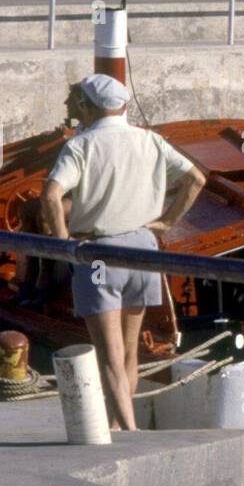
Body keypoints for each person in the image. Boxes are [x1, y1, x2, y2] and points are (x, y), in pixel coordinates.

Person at [40, 75, 205, 431]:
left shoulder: (81, 146)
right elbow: (196, 179)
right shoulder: (151, 141)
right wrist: (166, 222)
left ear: (87, 105)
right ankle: (116, 424)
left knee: (108, 354)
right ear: (125, 105)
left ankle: (128, 430)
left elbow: (52, 196)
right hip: (144, 249)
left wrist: (63, 243)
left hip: (99, 254)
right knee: (129, 352)